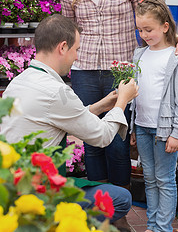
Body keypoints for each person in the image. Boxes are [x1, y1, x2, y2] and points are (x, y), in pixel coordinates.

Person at [60, 0, 178, 189]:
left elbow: (150, 15)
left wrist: (176, 37)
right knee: (91, 137)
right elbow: (68, 29)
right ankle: (101, 203)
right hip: (83, 70)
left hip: (120, 70)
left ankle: (119, 204)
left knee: (117, 141)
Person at [0, 14, 138, 231]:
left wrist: (103, 105)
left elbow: (60, 116)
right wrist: (122, 101)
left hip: (10, 184)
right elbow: (101, 136)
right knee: (121, 198)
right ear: (63, 47)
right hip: (38, 194)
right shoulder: (57, 91)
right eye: (76, 50)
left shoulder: (21, 80)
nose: (76, 57)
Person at [130, 0, 178, 232]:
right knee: (149, 178)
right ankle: (152, 225)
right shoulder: (139, 55)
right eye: (140, 30)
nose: (144, 34)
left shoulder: (177, 57)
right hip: (143, 127)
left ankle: (163, 228)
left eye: (149, 29)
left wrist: (177, 133)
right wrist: (134, 126)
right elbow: (136, 95)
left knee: (165, 181)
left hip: (165, 131)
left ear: (165, 27)